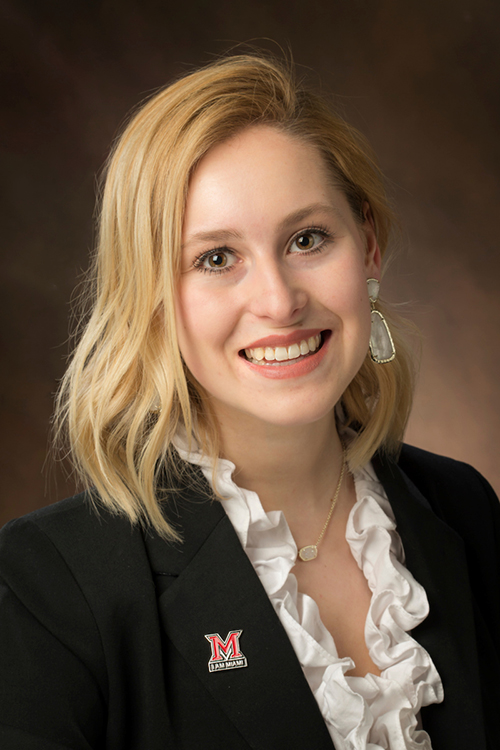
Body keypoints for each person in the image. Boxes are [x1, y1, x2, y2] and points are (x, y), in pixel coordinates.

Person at [0, 52, 498, 750]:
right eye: (215, 258)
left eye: (307, 239)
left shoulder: (464, 510)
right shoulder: (49, 583)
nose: (278, 300)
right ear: (150, 300)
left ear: (370, 249)